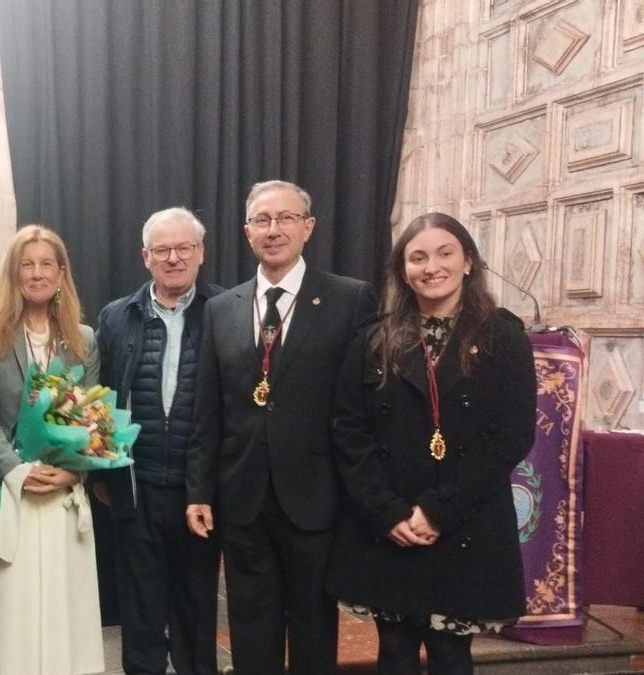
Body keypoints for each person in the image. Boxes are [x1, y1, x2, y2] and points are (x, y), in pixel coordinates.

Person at [328, 212, 536, 675]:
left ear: (468, 261)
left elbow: (511, 436)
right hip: (391, 521)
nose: (431, 266)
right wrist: (386, 511)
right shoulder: (373, 338)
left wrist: (439, 510)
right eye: (417, 257)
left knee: (449, 654)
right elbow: (348, 429)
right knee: (395, 650)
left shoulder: (502, 335)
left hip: (464, 520)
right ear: (403, 270)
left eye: (445, 253)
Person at [185, 180, 377, 675]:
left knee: (314, 629)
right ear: (247, 232)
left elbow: (361, 409)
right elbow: (208, 412)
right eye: (262, 220)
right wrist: (198, 490)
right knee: (250, 629)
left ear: (308, 227)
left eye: (286, 218)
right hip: (242, 496)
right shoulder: (222, 308)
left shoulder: (349, 299)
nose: (274, 230)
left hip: (316, 497)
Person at [0, 225, 103, 675]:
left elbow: (91, 419)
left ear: (61, 274)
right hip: (5, 490)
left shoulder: (84, 338)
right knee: (7, 607)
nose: (36, 273)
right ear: (14, 272)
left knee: (61, 603)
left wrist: (75, 473)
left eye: (46, 264)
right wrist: (18, 472)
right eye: (27, 264)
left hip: (60, 492)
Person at [94, 207, 223, 675]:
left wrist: (209, 485)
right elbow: (101, 400)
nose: (173, 258)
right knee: (141, 612)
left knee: (196, 610)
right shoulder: (116, 317)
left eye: (183, 248)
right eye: (162, 250)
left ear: (201, 253)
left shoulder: (226, 311)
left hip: (199, 491)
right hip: (137, 486)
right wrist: (103, 473)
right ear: (145, 256)